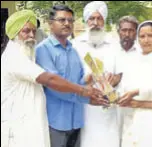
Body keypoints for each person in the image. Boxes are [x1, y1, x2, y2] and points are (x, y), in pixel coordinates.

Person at [1, 10, 104, 147]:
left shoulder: (70, 50)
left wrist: (88, 81)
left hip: (46, 122)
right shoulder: (16, 56)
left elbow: (72, 80)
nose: (31, 35)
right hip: (25, 126)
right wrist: (83, 92)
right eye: (26, 31)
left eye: (33, 31)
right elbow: (50, 80)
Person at [35, 5, 108, 147]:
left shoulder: (73, 50)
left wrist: (89, 79)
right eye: (62, 20)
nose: (67, 24)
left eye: (70, 20)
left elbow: (79, 81)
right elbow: (53, 85)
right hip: (57, 122)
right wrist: (86, 96)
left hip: (77, 120)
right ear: (50, 23)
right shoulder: (43, 50)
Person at [72, 1, 121, 147]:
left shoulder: (115, 44)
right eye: (91, 19)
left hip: (109, 107)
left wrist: (116, 79)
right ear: (86, 21)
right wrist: (84, 81)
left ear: (104, 21)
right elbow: (70, 77)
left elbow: (123, 72)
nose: (95, 22)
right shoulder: (75, 44)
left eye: (99, 18)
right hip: (85, 106)